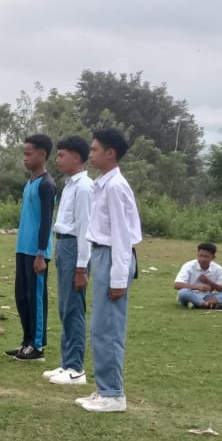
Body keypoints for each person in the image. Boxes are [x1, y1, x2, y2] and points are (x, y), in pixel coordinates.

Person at [76, 128, 141, 412]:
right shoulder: (103, 184)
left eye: (94, 150)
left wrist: (118, 278)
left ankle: (114, 394)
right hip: (102, 255)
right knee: (99, 326)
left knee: (109, 328)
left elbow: (122, 236)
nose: (90, 154)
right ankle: (105, 388)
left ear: (110, 153)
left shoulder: (115, 187)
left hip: (113, 256)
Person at [44, 135, 92, 386]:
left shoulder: (84, 187)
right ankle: (66, 363)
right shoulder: (70, 184)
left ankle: (76, 368)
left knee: (74, 307)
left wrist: (81, 266)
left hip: (75, 246)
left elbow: (85, 228)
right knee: (64, 306)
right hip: (62, 242)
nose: (58, 160)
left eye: (62, 155)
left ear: (76, 157)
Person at [8, 134, 57, 362]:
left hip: (37, 252)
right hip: (23, 248)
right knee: (22, 296)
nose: (25, 158)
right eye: (24, 154)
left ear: (42, 155)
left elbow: (47, 221)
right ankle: (26, 341)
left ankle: (37, 347)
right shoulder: (30, 182)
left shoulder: (47, 184)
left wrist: (41, 253)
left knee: (36, 297)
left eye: (29, 154)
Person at [174, 243, 222, 309]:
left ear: (213, 257)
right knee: (183, 292)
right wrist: (198, 287)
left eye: (206, 256)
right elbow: (177, 285)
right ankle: (212, 305)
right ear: (197, 255)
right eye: (200, 256)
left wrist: (209, 282)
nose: (202, 259)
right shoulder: (188, 266)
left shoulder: (217, 268)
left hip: (208, 296)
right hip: (191, 295)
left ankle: (199, 304)